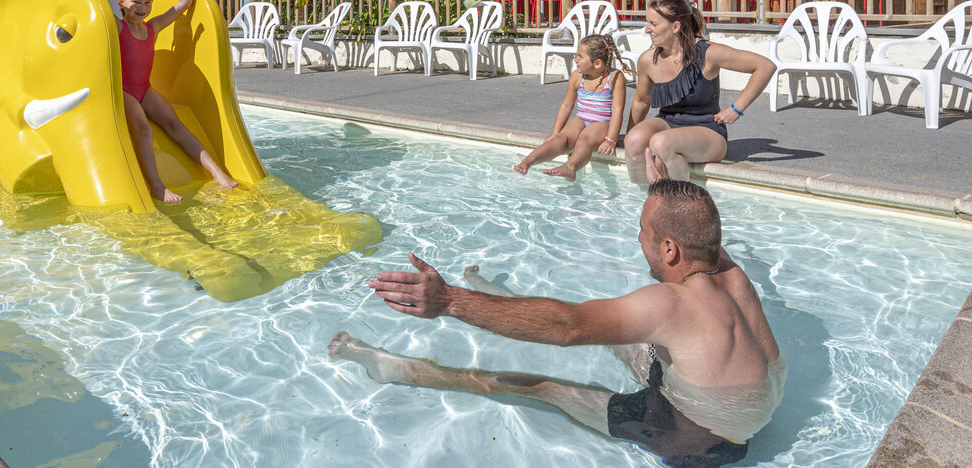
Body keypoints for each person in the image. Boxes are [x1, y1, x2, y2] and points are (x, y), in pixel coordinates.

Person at [329, 178, 785, 468]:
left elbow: (568, 328)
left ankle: (390, 367)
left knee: (539, 385)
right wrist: (663, 189)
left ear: (669, 250)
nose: (637, 237)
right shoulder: (731, 275)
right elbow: (694, 227)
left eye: (644, 231)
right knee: (618, 335)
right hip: (747, 415)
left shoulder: (670, 306)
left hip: (695, 440)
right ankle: (504, 299)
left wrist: (450, 301)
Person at [87, 0, 237, 201]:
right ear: (121, 2)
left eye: (147, 3)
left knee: (175, 125)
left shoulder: (152, 27)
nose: (143, 8)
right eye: (136, 2)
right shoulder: (117, 27)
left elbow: (181, 6)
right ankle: (156, 185)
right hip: (123, 92)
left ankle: (216, 172)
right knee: (143, 129)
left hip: (145, 89)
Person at [624, 0, 774, 186]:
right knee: (634, 141)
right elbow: (641, 101)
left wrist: (737, 108)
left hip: (707, 130)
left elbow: (765, 66)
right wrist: (627, 136)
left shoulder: (708, 53)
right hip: (668, 123)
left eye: (653, 24)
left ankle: (681, 205)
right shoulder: (647, 60)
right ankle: (644, 199)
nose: (647, 29)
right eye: (647, 23)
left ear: (675, 26)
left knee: (661, 143)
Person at [513, 34, 627, 181]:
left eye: (580, 57)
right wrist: (555, 133)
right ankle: (528, 161)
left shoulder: (614, 77)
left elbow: (617, 112)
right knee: (562, 139)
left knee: (584, 140)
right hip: (581, 118)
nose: (575, 60)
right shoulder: (577, 76)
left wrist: (610, 139)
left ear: (597, 63)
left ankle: (570, 167)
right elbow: (567, 105)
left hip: (601, 123)